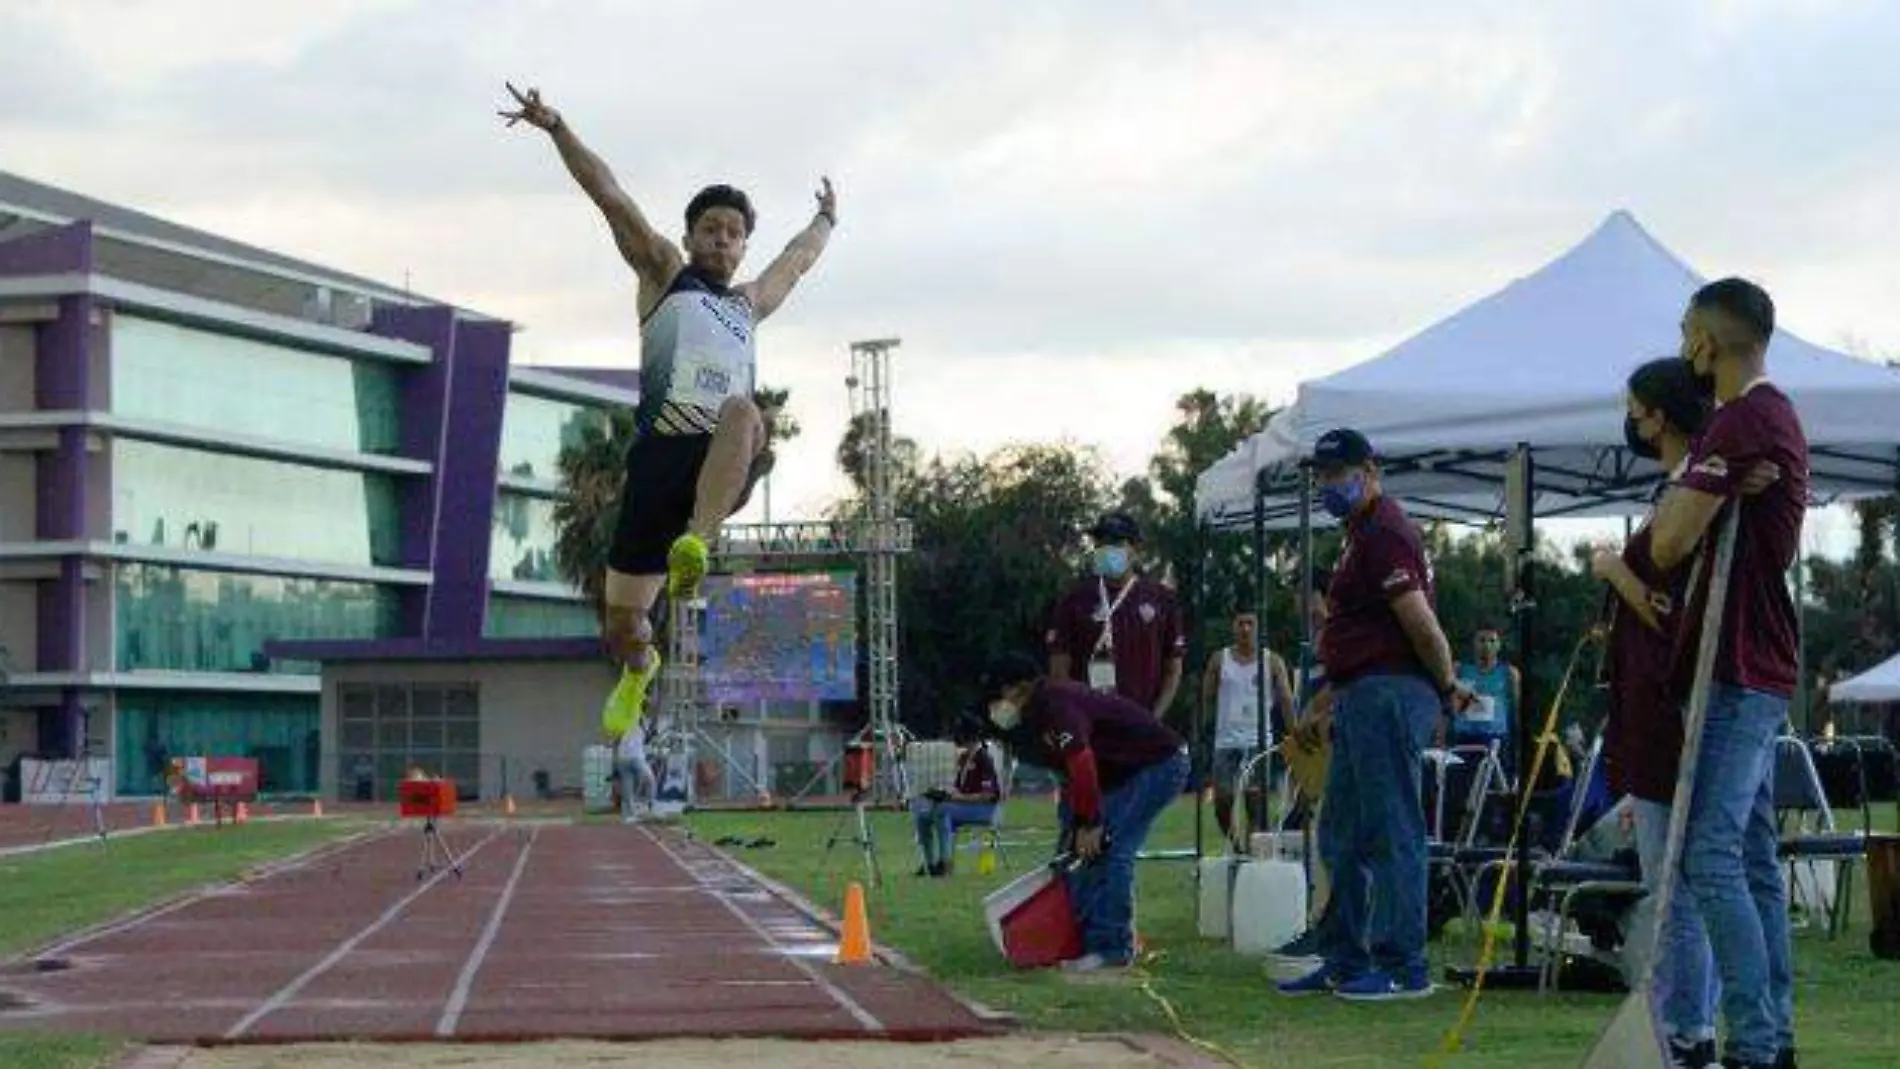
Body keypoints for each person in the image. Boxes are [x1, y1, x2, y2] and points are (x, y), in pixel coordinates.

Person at [499, 82, 840, 737]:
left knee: (744, 412)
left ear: (743, 247)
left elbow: (795, 264)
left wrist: (827, 219)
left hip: (718, 467)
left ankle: (698, 545)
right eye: (710, 229)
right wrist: (557, 126)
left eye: (734, 233)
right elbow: (611, 196)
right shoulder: (662, 273)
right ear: (688, 237)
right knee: (623, 623)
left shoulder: (748, 304)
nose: (722, 239)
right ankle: (639, 667)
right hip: (658, 462)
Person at [1647, 279, 1807, 1069]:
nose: (1683, 348)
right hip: (1754, 664)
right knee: (1746, 857)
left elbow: (1667, 545)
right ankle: (1772, 1037)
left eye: (1686, 333)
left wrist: (1697, 492)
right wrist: (1707, 484)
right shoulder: (1750, 422)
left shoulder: (1744, 418)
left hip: (1741, 667)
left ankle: (1754, 1042)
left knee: (1708, 852)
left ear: (1709, 341)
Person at [1276, 428, 1475, 1002]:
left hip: (1390, 695)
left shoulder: (1385, 532)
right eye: (1322, 476)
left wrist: (1445, 683)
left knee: (1392, 828)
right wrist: (1327, 699)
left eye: (1338, 474)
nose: (1328, 485)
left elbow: (1419, 623)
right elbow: (1367, 635)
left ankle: (1402, 963)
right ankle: (1343, 955)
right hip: (1364, 694)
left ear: (1369, 468)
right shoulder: (1360, 534)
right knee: (1342, 830)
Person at [1594, 357, 1727, 1066]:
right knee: (1665, 884)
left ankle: (1687, 1030)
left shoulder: (1693, 498)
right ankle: (1683, 1020)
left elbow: (1673, 614)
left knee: (1675, 887)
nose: (1634, 423)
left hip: (1670, 717)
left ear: (1664, 414)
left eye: (1639, 410)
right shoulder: (1672, 488)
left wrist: (1617, 571)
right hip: (1643, 715)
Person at [980, 650, 1190, 973]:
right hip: (1119, 773)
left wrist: (1091, 823)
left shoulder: (1054, 705)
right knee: (1075, 855)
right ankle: (1079, 936)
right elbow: (1071, 774)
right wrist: (1076, 824)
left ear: (1017, 688)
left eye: (999, 695)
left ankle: (1112, 950)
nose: (997, 705)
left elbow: (1081, 761)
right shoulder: (1038, 712)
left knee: (1111, 848)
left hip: (1157, 765)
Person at [1046, 511, 1187, 719]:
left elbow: (1173, 669)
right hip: (1089, 726)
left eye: (1116, 542)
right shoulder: (1074, 599)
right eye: (1101, 542)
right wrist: (1074, 719)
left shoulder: (1161, 599)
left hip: (1141, 723)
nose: (1107, 549)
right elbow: (1059, 670)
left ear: (1136, 549)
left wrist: (1153, 720)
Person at [1202, 609, 1294, 841]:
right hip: (1226, 741)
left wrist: (1294, 734)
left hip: (1258, 740)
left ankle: (1253, 851)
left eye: (1250, 624)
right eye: (1240, 623)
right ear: (1233, 627)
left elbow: (1285, 699)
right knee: (1223, 799)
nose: (1245, 629)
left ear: (1258, 628)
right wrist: (1204, 731)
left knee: (1255, 801)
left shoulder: (1272, 661)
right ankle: (1234, 844)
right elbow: (1207, 697)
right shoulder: (1219, 659)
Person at [910, 724, 1002, 877]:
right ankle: (929, 863)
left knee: (943, 811)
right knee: (923, 815)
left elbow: (988, 795)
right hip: (962, 806)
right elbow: (958, 787)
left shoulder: (984, 759)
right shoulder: (964, 758)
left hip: (984, 809)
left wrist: (960, 798)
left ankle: (945, 863)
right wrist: (943, 793)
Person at [1449, 627, 1519, 762]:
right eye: (1482, 640)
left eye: (1492, 641)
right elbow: (1447, 704)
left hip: (1496, 739)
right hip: (1464, 737)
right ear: (1473, 643)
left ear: (1499, 645)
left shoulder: (1509, 673)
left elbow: (1516, 709)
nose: (1487, 645)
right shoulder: (1459, 669)